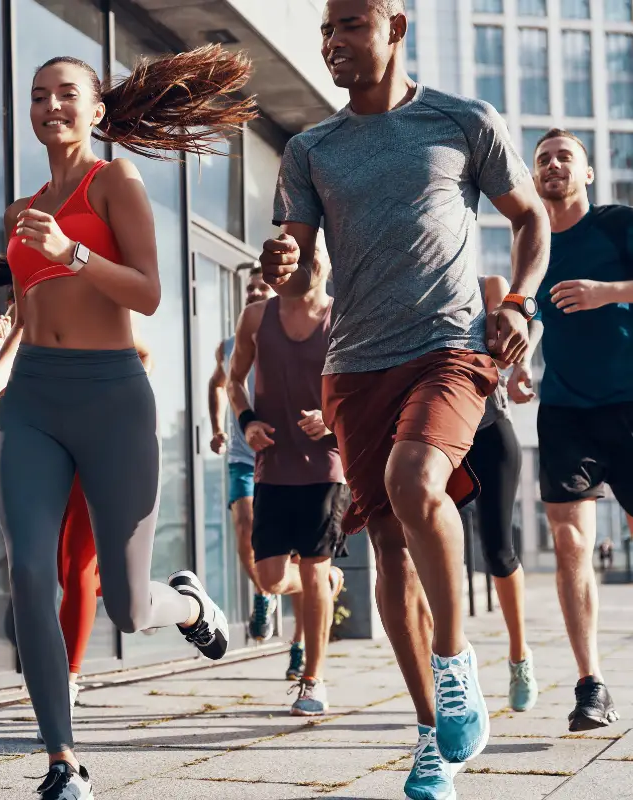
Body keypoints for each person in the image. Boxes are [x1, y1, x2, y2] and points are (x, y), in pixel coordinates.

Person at [260, 2, 550, 797]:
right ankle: (431, 734)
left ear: (396, 27)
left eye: (349, 24)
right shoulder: (310, 149)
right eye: (325, 29)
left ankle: (457, 669)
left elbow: (529, 221)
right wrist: (283, 255)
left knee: (414, 480)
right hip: (353, 366)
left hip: (449, 349)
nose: (331, 42)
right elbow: (298, 261)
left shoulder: (464, 121)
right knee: (387, 551)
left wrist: (519, 303)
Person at [0, 46, 256, 800]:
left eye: (65, 94)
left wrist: (74, 252)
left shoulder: (114, 180)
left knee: (124, 603)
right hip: (33, 404)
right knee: (31, 569)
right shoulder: (18, 212)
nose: (49, 106)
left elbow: (151, 293)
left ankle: (187, 602)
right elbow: (30, 309)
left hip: (112, 399)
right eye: (37, 96)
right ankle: (63, 760)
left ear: (96, 110)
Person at [0, 254, 152, 738]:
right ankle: (61, 688)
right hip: (45, 454)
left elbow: (140, 354)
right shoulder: (17, 321)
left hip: (102, 446)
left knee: (82, 572)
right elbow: (4, 392)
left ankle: (68, 675)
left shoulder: (85, 304)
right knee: (51, 569)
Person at [508, 127, 633, 732]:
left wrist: (607, 292)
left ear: (586, 172)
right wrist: (522, 363)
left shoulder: (617, 223)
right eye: (542, 159)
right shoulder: (530, 239)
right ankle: (591, 685)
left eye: (564, 157)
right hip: (564, 408)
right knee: (570, 544)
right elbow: (532, 310)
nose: (552, 165)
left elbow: (597, 294)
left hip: (630, 402)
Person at [228, 241, 346, 716]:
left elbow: (363, 386)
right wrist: (247, 421)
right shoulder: (257, 317)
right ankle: (329, 581)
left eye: (320, 250)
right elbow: (233, 380)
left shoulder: (344, 318)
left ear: (330, 259)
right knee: (271, 578)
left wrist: (333, 418)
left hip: (325, 464)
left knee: (313, 570)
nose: (312, 261)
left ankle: (312, 681)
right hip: (272, 465)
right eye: (305, 252)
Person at [208, 265, 306, 674]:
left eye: (260, 286)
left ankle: (300, 643)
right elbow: (219, 383)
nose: (253, 292)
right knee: (245, 528)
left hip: (293, 459)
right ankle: (266, 593)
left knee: (303, 556)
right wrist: (218, 427)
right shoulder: (229, 345)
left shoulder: (293, 333)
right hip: (245, 457)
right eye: (249, 288)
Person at [469, 274, 538, 712]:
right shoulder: (406, 289)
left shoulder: (488, 287)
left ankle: (519, 655)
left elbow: (516, 338)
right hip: (430, 438)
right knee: (420, 552)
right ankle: (449, 666)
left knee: (497, 550)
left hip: (489, 433)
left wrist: (521, 372)